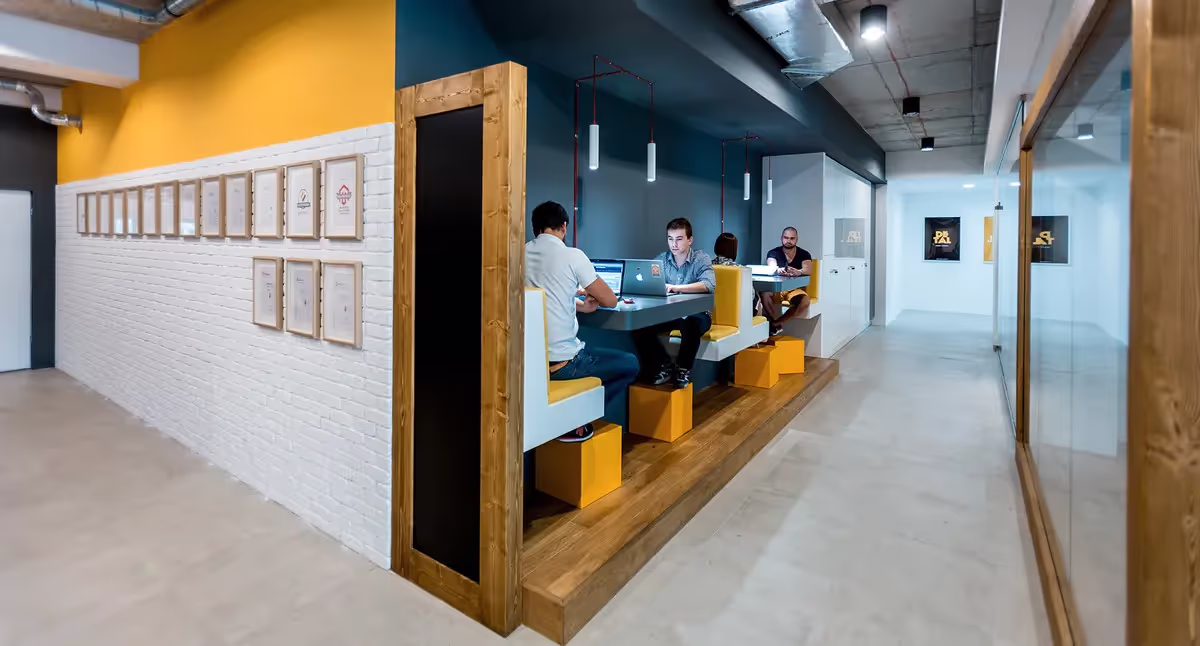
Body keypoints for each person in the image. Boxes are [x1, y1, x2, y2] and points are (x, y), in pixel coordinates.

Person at [525, 201, 639, 442]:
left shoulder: (521, 253)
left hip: (531, 364)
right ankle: (576, 420)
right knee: (630, 363)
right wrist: (590, 296)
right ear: (564, 226)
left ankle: (574, 419)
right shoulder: (572, 255)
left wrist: (578, 304)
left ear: (535, 228)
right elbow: (609, 300)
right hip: (565, 364)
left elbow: (540, 297)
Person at [632, 218, 715, 389]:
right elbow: (647, 278)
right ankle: (664, 364)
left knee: (691, 324)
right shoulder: (662, 260)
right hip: (670, 314)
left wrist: (676, 288)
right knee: (639, 326)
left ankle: (683, 370)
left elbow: (708, 285)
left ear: (689, 240)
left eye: (679, 239)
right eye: (670, 239)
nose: (674, 244)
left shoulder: (701, 258)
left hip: (697, 313)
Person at [760, 226, 812, 334]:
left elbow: (808, 269)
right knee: (765, 294)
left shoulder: (804, 254)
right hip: (776, 289)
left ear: (796, 239)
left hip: (794, 289)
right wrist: (779, 270)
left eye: (792, 238)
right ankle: (774, 321)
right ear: (781, 238)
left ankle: (777, 323)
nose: (788, 241)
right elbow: (772, 265)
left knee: (805, 301)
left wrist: (799, 272)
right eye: (786, 237)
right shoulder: (773, 252)